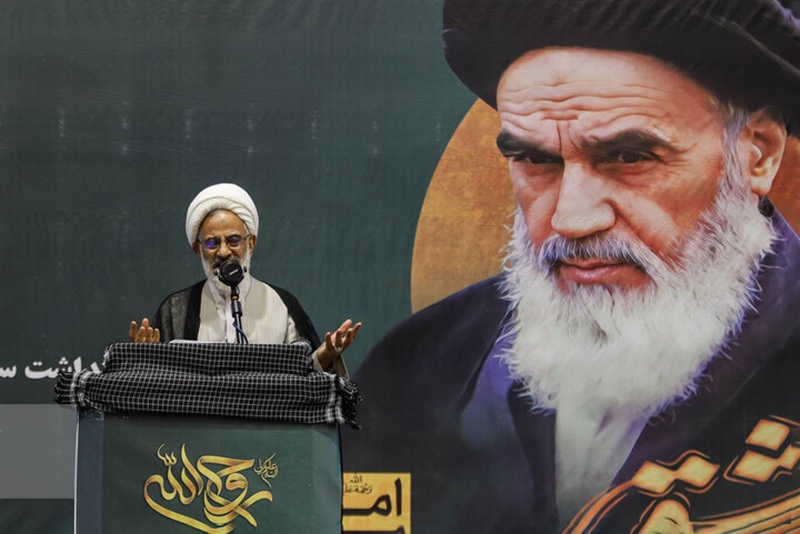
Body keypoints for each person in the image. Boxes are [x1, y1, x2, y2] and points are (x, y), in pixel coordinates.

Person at [343, 0, 800, 532]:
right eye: (537, 160)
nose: (571, 218)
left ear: (758, 154)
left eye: (628, 157)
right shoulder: (416, 366)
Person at [129, 183, 360, 375]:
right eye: (211, 243)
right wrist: (145, 360)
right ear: (197, 250)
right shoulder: (176, 309)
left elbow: (303, 380)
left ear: (251, 243)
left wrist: (324, 357)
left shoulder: (282, 305)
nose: (223, 252)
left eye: (233, 240)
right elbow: (159, 387)